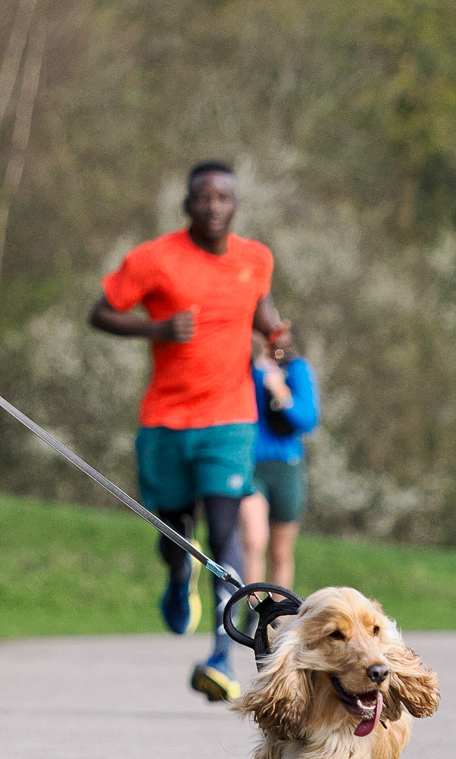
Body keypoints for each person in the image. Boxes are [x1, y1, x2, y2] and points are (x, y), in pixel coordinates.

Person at [88, 162, 289, 703]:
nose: (213, 206)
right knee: (175, 537)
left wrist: (276, 335)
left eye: (223, 197)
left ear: (235, 206)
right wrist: (155, 328)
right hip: (165, 423)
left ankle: (222, 657)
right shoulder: (155, 259)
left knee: (225, 535)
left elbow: (261, 309)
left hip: (230, 420)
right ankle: (179, 581)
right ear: (187, 206)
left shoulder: (256, 259)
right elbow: (101, 312)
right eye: (203, 197)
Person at [239, 328, 320, 593]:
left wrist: (279, 391)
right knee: (253, 541)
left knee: (280, 553)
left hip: (286, 466)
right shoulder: (242, 370)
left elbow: (307, 420)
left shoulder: (296, 369)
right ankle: (252, 616)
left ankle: (278, 622)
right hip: (250, 465)